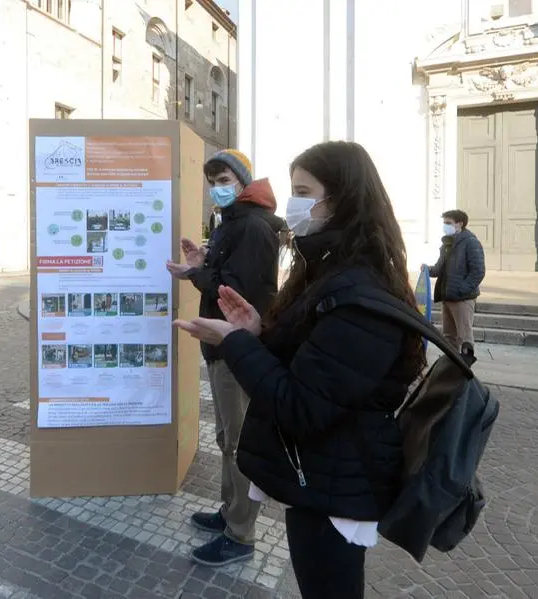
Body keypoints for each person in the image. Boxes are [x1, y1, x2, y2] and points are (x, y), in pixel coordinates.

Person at [174, 141, 427, 598]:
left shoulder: (358, 292)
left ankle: (237, 531)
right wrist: (256, 332)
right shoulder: (329, 268)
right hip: (320, 477)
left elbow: (301, 406)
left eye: (304, 190)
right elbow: (313, 362)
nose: (295, 203)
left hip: (337, 487)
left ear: (342, 197)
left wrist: (234, 343)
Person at [167, 148, 285, 567]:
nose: (216, 188)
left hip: (236, 347)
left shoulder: (251, 227)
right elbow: (222, 278)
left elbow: (235, 292)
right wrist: (201, 263)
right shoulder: (232, 222)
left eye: (223, 179)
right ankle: (228, 511)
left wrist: (195, 273)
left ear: (242, 181)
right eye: (212, 180)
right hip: (221, 347)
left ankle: (240, 533)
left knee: (239, 442)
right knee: (227, 439)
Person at [423, 210, 486, 357]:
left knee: (464, 337)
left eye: (448, 223)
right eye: (444, 223)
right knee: (449, 337)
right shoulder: (447, 244)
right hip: (447, 296)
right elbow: (440, 268)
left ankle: (465, 371)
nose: (445, 226)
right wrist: (428, 270)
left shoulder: (471, 242)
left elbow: (478, 271)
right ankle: (450, 366)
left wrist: (462, 290)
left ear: (460, 224)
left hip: (462, 299)